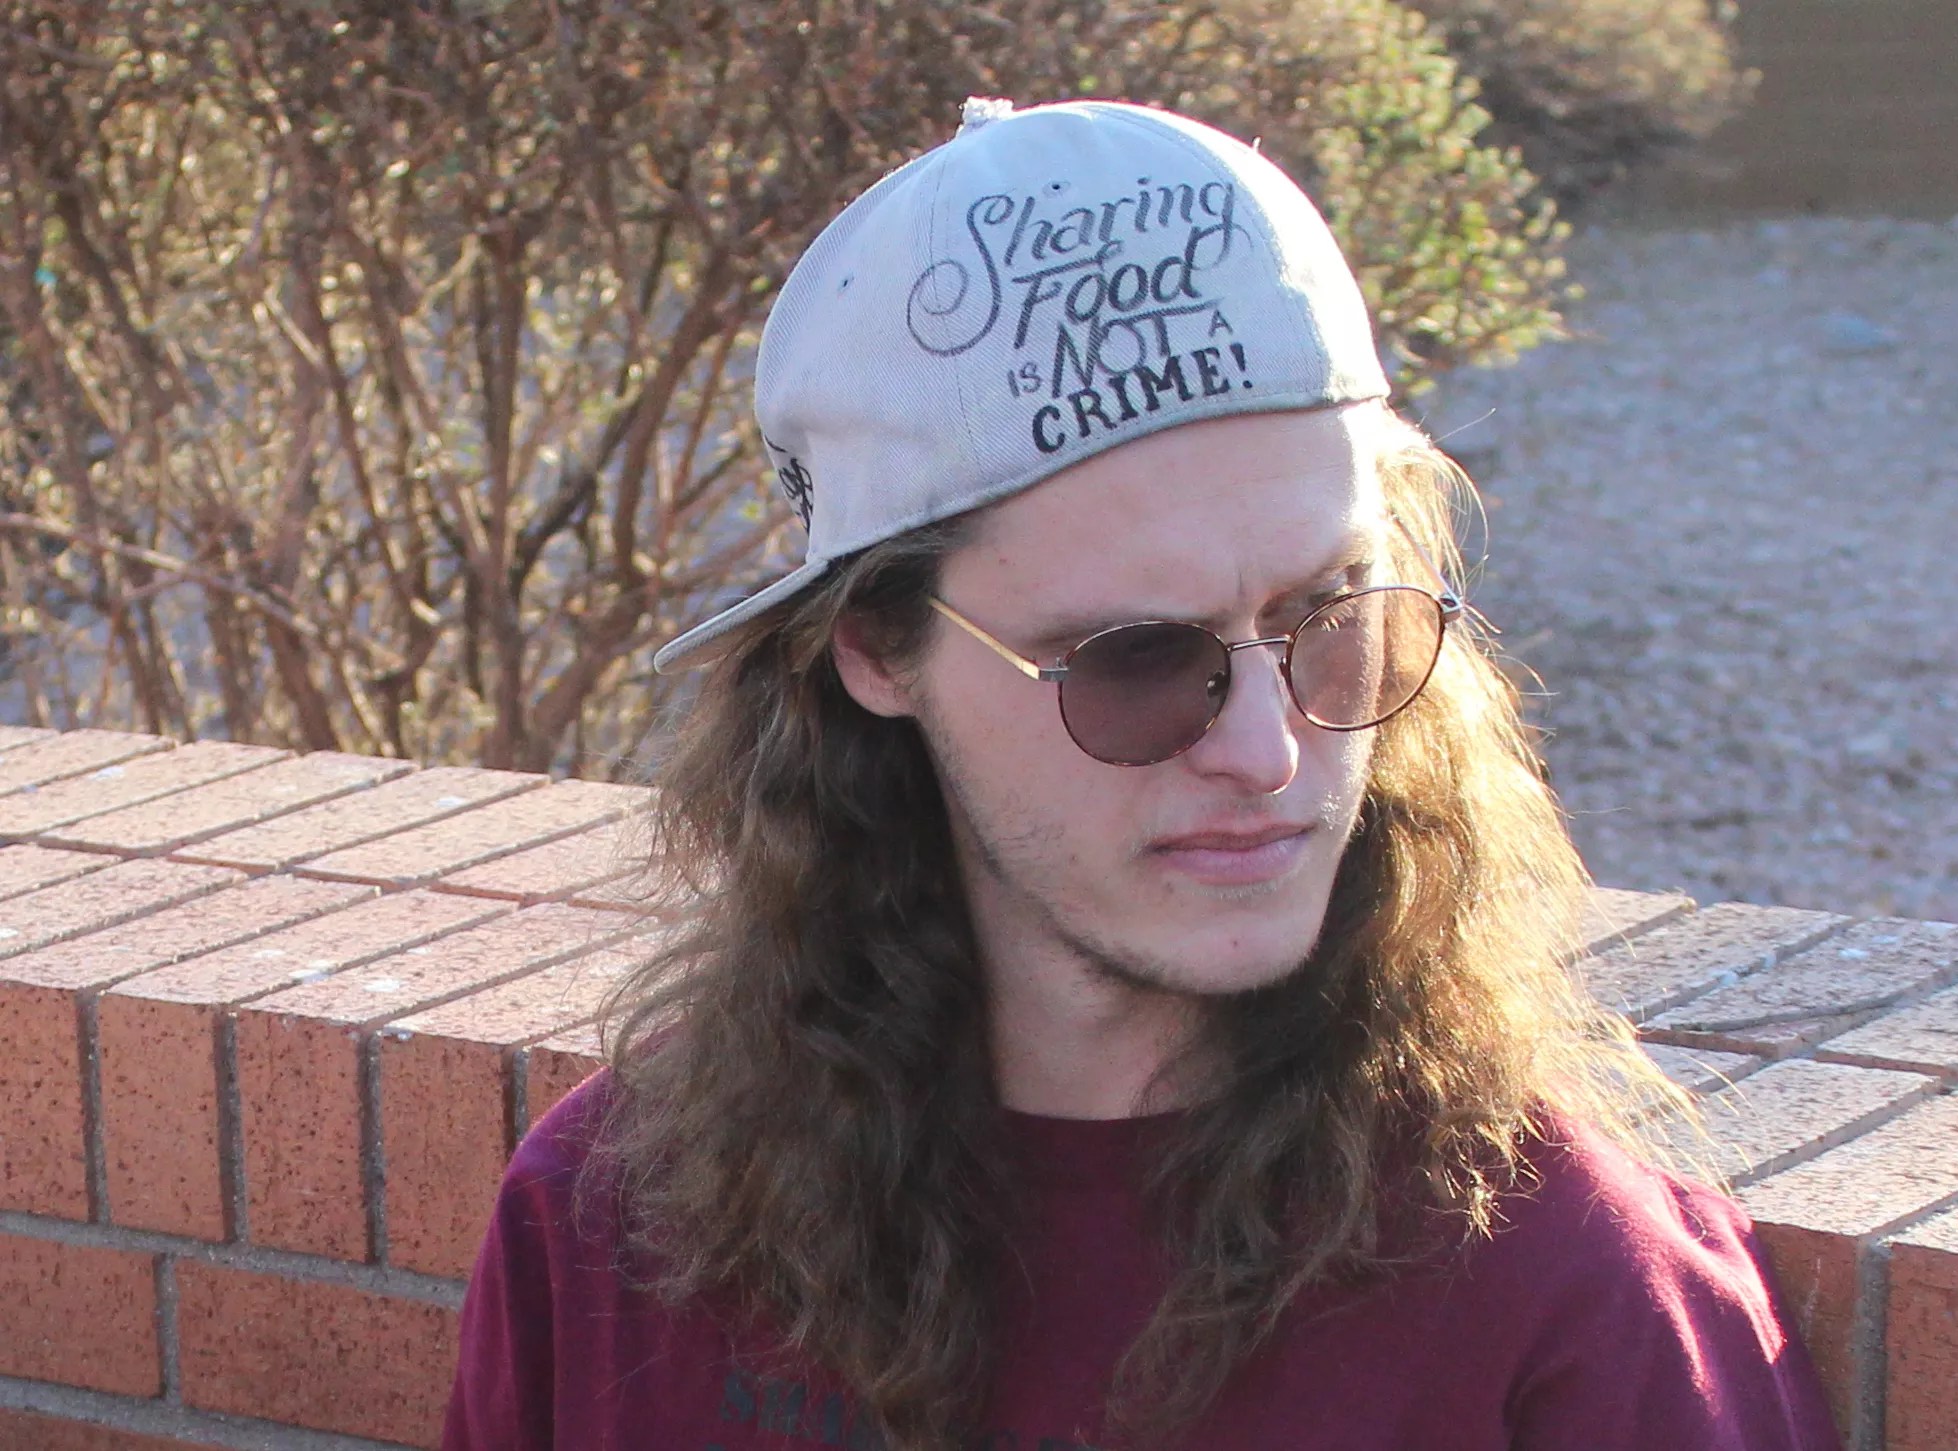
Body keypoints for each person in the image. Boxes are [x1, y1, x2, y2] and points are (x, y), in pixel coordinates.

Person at [442, 97, 1843, 1451]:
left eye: (1330, 625)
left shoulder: (1561, 1293)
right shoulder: (616, 1221)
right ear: (877, 650)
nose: (1267, 750)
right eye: (1134, 662)